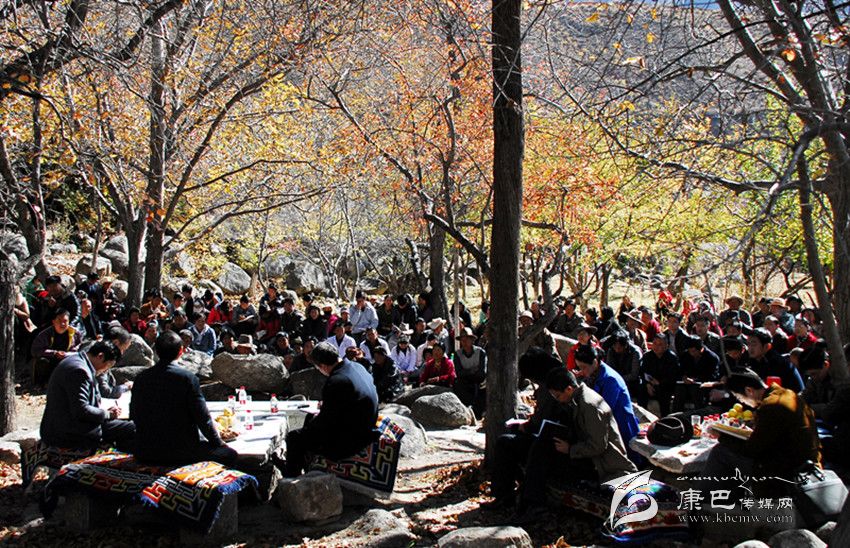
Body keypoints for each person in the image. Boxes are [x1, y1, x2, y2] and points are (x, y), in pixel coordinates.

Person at [506, 368, 637, 525]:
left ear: (569, 389)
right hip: (587, 457)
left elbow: (598, 446)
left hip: (601, 465)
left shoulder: (590, 405)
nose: (558, 400)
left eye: (558, 396)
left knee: (541, 451)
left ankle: (533, 504)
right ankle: (528, 501)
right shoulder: (575, 399)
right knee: (539, 447)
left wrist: (570, 449)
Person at [701, 368, 819, 497]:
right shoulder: (787, 394)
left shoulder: (771, 406)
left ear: (749, 390)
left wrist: (722, 437)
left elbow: (752, 450)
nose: (741, 402)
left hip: (789, 471)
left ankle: (704, 499)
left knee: (720, 452)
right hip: (805, 461)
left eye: (739, 397)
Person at [131, 331, 237, 466]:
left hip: (145, 450)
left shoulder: (141, 378)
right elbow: (202, 418)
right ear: (181, 351)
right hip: (181, 451)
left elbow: (134, 414)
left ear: (156, 351)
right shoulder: (187, 378)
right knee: (230, 454)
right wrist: (218, 442)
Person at [274, 341, 379, 477]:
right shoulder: (357, 366)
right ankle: (304, 463)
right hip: (364, 421)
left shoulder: (337, 381)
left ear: (322, 366)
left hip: (353, 438)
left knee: (294, 437)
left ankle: (292, 476)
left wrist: (308, 429)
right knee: (308, 420)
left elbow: (325, 422)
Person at [40, 341, 135, 450]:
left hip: (66, 423)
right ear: (100, 356)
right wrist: (107, 414)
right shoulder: (79, 371)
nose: (105, 370)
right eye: (108, 366)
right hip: (67, 432)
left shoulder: (77, 361)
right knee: (131, 427)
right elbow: (81, 410)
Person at [573, 345, 640, 461]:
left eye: (583, 367)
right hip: (609, 421)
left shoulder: (610, 379)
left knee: (627, 459)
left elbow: (605, 408)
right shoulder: (593, 373)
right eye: (579, 367)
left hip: (620, 422)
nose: (581, 371)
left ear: (595, 362)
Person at [31, 309, 83, 387]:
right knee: (42, 362)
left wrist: (67, 354)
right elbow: (35, 350)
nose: (62, 324)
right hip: (50, 360)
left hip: (67, 360)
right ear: (53, 321)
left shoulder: (75, 334)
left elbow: (81, 350)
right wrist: (54, 353)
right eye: (59, 321)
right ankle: (43, 384)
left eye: (65, 321)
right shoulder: (45, 334)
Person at [747, 328, 804, 392]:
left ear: (767, 346)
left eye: (754, 344)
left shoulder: (779, 364)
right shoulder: (751, 361)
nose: (750, 348)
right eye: (748, 344)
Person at [639, 333, 681, 416]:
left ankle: (665, 418)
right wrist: (647, 384)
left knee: (664, 393)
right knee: (641, 389)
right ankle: (641, 417)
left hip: (665, 385)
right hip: (650, 384)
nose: (656, 347)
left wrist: (659, 383)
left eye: (660, 344)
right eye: (654, 343)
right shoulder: (647, 356)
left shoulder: (672, 358)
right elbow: (642, 372)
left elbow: (673, 376)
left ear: (666, 346)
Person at [453, 327, 487, 416]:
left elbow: (482, 373)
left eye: (466, 339)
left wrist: (466, 372)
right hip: (465, 382)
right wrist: (471, 371)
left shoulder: (480, 352)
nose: (464, 342)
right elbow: (459, 373)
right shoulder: (457, 354)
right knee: (457, 383)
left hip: (479, 381)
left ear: (472, 340)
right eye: (462, 340)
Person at [605, 331, 642, 400]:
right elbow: (608, 368)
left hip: (631, 383)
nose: (617, 349)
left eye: (619, 347)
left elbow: (634, 375)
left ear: (625, 345)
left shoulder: (635, 352)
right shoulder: (611, 350)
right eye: (615, 346)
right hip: (615, 380)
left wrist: (619, 378)